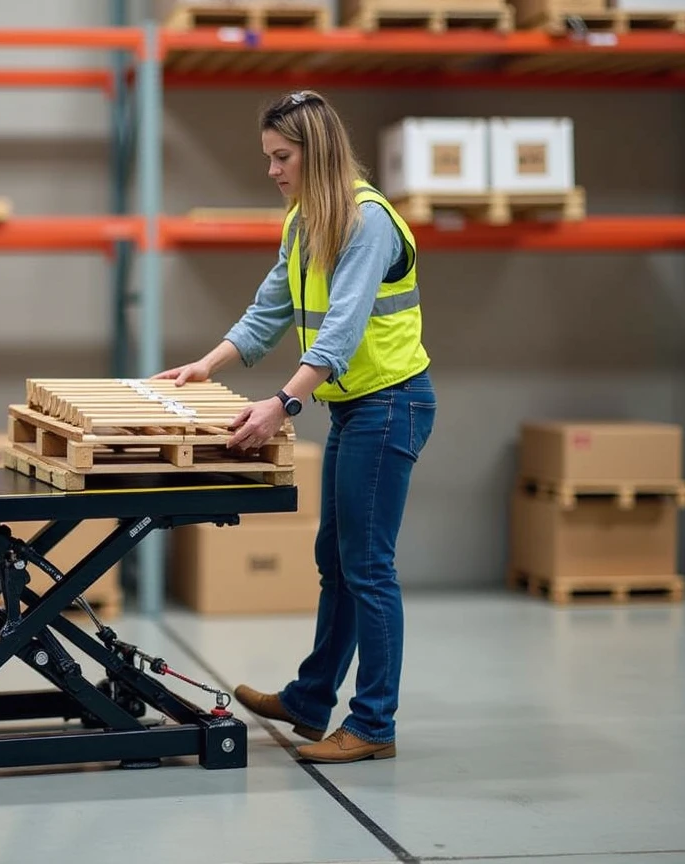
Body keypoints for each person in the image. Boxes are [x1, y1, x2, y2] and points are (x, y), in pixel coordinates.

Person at [153, 90, 436, 764]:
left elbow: (338, 336)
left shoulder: (366, 223)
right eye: (269, 158)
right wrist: (207, 363)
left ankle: (373, 725)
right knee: (334, 562)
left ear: (317, 150)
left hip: (391, 404)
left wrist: (281, 403)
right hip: (357, 406)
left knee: (368, 568)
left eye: (282, 157)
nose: (273, 170)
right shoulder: (305, 221)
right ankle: (312, 701)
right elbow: (269, 310)